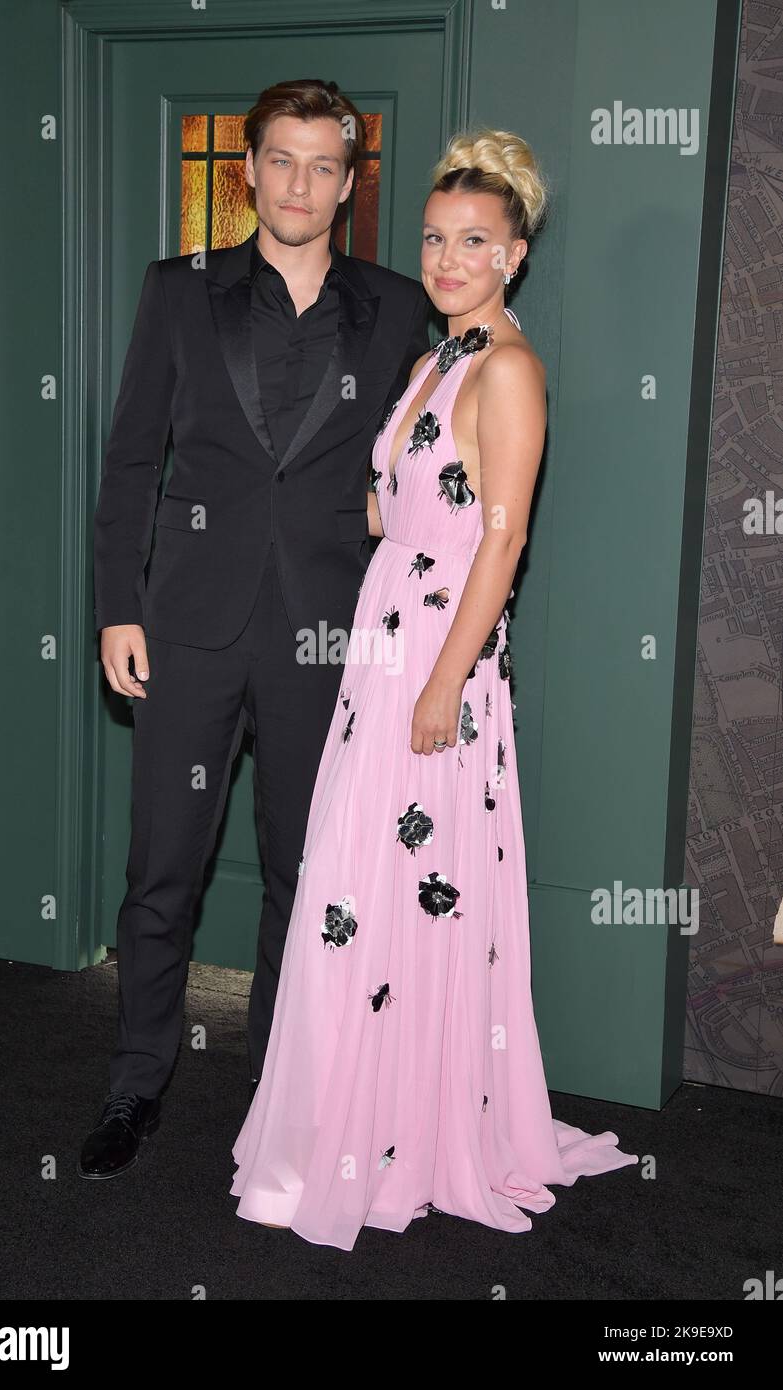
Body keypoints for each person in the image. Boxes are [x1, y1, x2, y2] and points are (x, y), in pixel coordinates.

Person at [230, 129, 639, 1248]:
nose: (448, 259)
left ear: (514, 254)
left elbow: (499, 548)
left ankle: (400, 1135)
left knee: (410, 884)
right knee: (357, 884)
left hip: (436, 660)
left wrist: (443, 684)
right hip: (381, 642)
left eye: (474, 242)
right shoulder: (431, 363)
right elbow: (391, 511)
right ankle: (350, 1125)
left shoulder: (508, 369)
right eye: (433, 239)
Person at [80, 78, 431, 1180]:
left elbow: (417, 466)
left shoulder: (397, 306)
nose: (301, 184)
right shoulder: (178, 290)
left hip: (326, 640)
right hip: (185, 628)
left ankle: (280, 1096)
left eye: (325, 166)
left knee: (303, 872)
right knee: (161, 873)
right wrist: (116, 607)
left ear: (348, 181)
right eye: (282, 160)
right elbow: (134, 457)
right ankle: (135, 1082)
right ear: (249, 169)